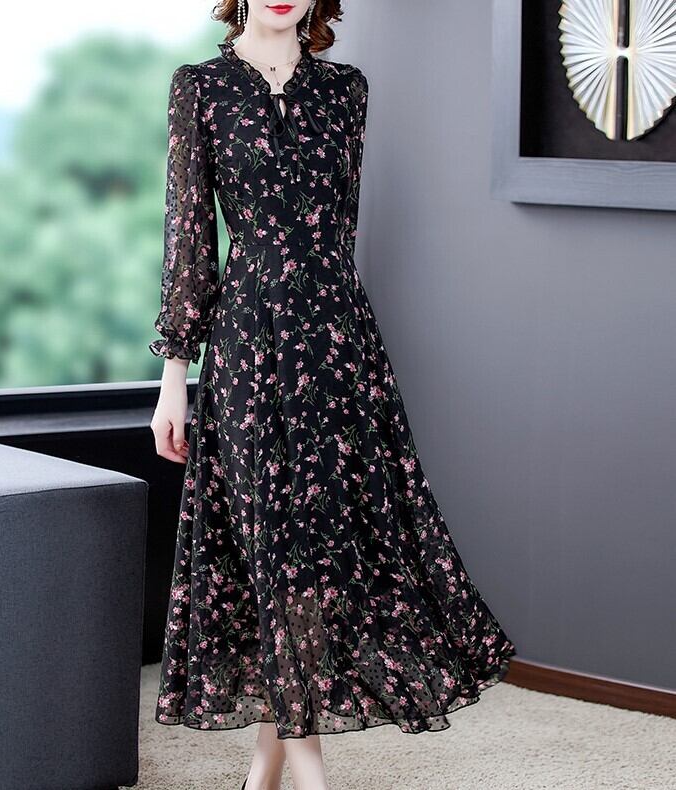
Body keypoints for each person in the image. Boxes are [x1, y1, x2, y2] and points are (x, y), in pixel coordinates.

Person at [149, 2, 517, 789]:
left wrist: (344, 345)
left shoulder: (346, 90)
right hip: (248, 344)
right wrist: (175, 375)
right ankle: (311, 774)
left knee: (316, 552)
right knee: (270, 548)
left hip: (337, 342)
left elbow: (338, 229)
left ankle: (264, 769)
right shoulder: (199, 87)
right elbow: (189, 238)